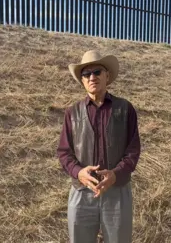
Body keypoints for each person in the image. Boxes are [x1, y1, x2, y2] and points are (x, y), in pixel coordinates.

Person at [57, 50, 141, 243]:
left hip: (117, 192)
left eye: (97, 72)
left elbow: (133, 150)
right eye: (86, 74)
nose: (92, 77)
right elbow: (64, 152)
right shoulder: (72, 113)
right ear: (82, 80)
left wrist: (116, 174)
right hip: (82, 192)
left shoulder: (125, 109)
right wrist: (78, 172)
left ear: (107, 76)